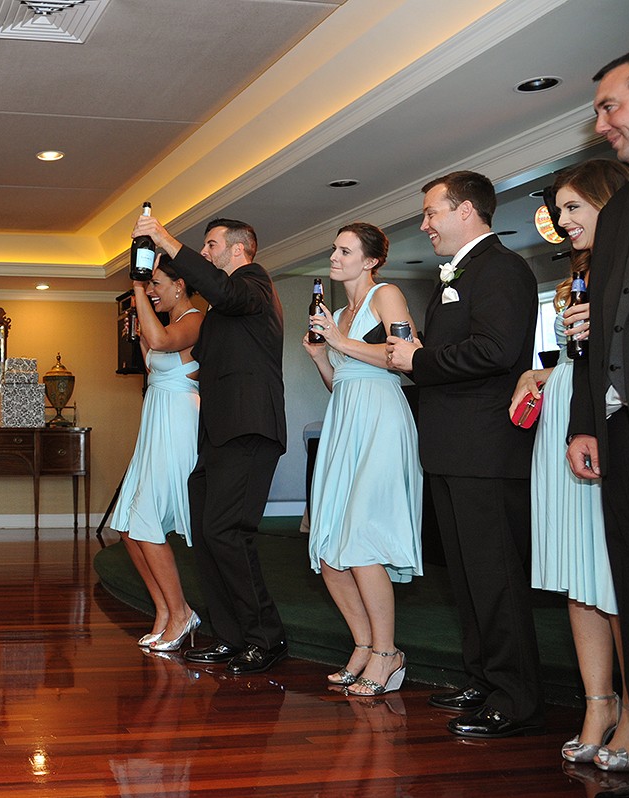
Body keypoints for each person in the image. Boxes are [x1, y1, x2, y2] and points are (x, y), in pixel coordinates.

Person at [386, 171, 541, 738]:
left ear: (467, 211)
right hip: (453, 447)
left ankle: (517, 696)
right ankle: (482, 678)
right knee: (468, 579)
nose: (424, 225)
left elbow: (497, 351)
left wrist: (417, 361)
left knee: (495, 577)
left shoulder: (501, 268)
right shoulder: (460, 271)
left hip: (484, 448)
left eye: (432, 213)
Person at [513, 159, 629, 766]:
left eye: (574, 209)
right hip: (566, 424)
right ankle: (598, 702)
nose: (562, 222)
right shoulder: (575, 274)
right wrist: (544, 371)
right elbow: (574, 356)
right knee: (577, 572)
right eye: (559, 211)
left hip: (607, 429)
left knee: (613, 575)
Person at [131, 214, 288, 675]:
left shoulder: (254, 283)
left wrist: (164, 240)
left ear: (238, 250)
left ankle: (266, 637)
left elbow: (222, 290)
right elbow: (187, 357)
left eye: (212, 244)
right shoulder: (225, 311)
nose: (206, 252)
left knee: (228, 533)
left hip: (248, 430)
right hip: (217, 433)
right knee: (207, 533)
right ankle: (230, 635)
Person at [302, 222, 422, 696]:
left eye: (345, 250)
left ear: (369, 260)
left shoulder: (385, 294)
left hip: (380, 421)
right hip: (344, 419)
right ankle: (364, 645)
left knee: (361, 539)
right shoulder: (338, 311)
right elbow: (341, 381)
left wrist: (337, 340)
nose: (334, 257)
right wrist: (319, 357)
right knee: (329, 546)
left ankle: (390, 653)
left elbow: (403, 355)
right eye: (334, 248)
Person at [568, 49, 629, 774]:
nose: (601, 121)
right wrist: (587, 419)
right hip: (618, 429)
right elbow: (601, 331)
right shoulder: (619, 217)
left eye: (611, 104)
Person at [109, 256, 203, 652]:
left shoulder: (196, 319)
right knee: (128, 527)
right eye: (148, 286)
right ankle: (165, 610)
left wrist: (135, 290)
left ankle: (182, 614)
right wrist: (142, 307)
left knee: (147, 521)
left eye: (156, 284)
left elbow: (163, 344)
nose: (150, 291)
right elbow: (151, 358)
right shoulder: (162, 323)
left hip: (179, 422)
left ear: (179, 286)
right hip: (154, 422)